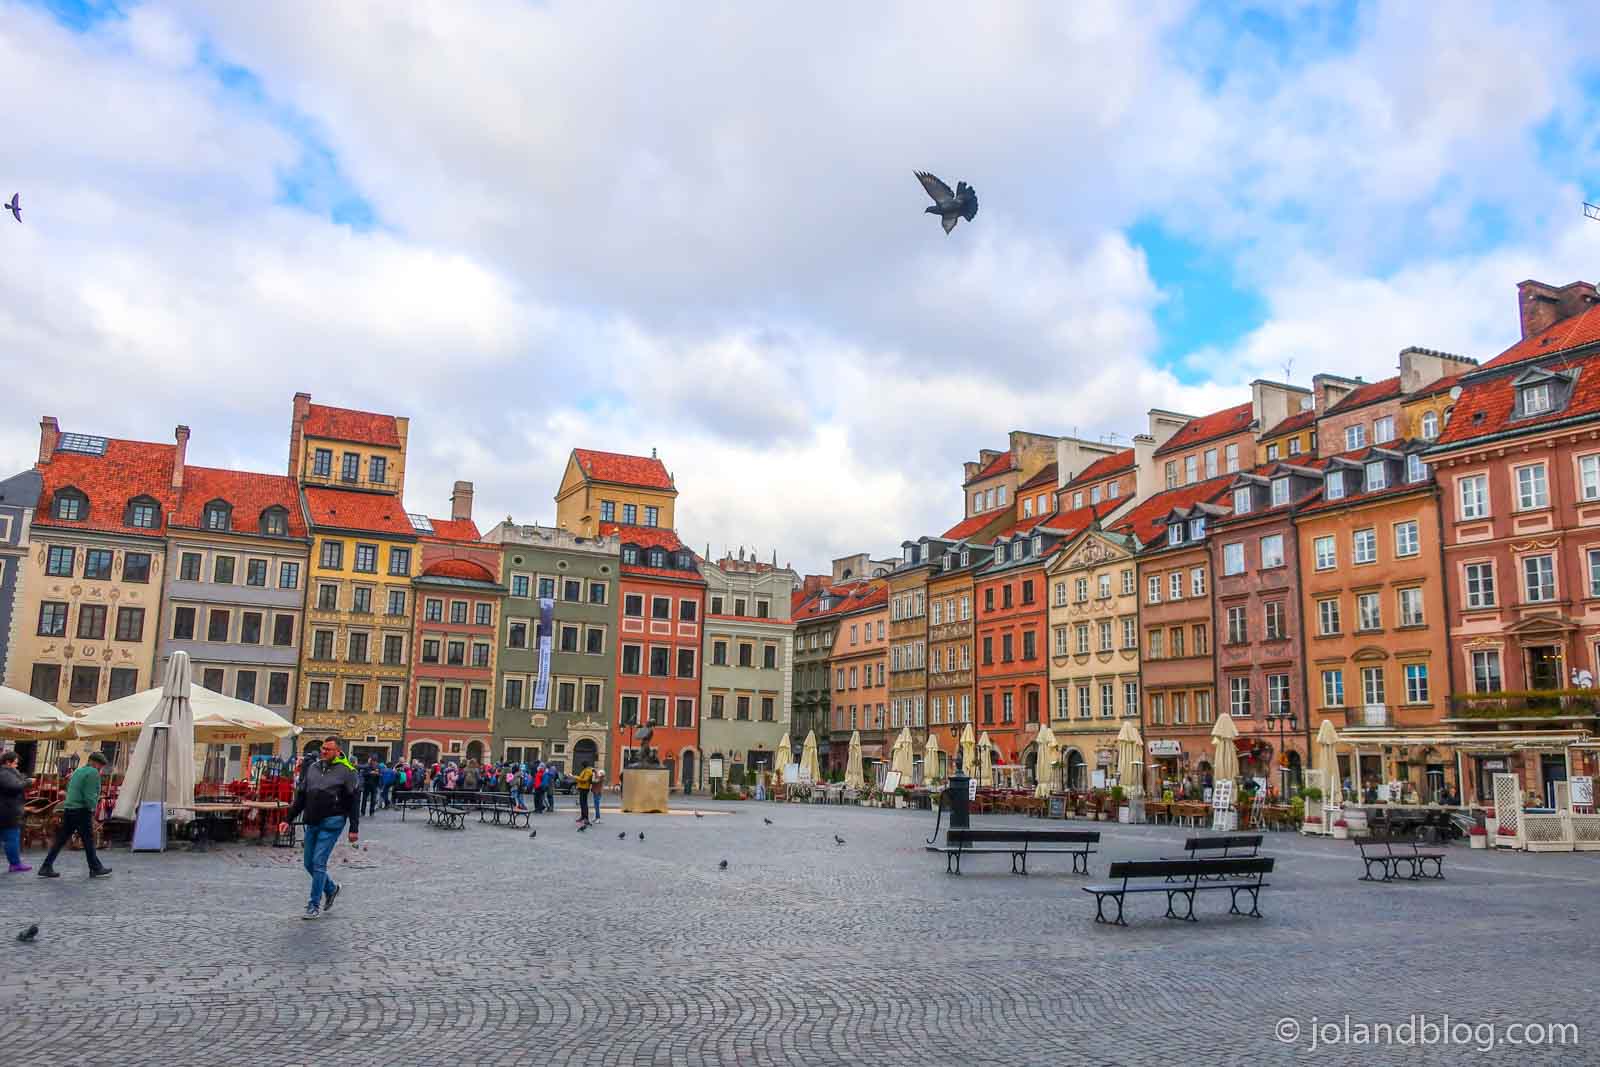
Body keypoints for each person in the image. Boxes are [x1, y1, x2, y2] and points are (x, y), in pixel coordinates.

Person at [280, 737, 360, 920]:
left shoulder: (348, 771)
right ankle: (331, 888)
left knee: (318, 862)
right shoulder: (313, 768)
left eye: (328, 749)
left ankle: (313, 905)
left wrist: (353, 828)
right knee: (308, 863)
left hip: (333, 821)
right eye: (323, 748)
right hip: (312, 820)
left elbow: (354, 801)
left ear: (338, 752)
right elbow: (301, 796)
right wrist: (288, 819)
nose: (324, 751)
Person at [38, 751, 111, 879]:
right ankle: (95, 868)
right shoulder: (92, 773)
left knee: (62, 839)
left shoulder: (78, 771)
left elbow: (69, 788)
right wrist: (93, 808)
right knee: (88, 839)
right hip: (82, 810)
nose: (101, 768)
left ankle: (46, 866)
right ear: (94, 762)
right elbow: (89, 794)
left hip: (69, 808)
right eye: (100, 765)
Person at [1, 750, 33, 872]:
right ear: (8, 762)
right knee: (12, 838)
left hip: (6, 810)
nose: (17, 765)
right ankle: (15, 863)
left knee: (10, 837)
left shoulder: (7, 773)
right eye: (15, 763)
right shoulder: (5, 773)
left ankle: (15, 862)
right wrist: (27, 782)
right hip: (7, 811)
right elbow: (14, 786)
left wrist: (23, 779)